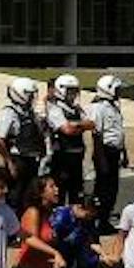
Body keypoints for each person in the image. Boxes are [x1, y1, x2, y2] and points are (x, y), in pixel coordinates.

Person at [0, 78, 46, 206]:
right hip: (18, 159)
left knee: (30, 195)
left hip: (32, 158)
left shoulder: (29, 112)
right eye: (29, 94)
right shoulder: (8, 112)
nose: (32, 97)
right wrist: (9, 162)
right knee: (16, 195)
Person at [43, 74, 93, 209]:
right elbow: (67, 130)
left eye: (74, 91)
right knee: (60, 193)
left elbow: (91, 123)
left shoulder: (76, 108)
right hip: (61, 158)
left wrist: (76, 125)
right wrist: (79, 126)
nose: (73, 94)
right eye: (70, 91)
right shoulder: (55, 108)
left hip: (77, 157)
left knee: (76, 194)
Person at [85, 74, 126, 218]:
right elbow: (97, 134)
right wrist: (101, 159)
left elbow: (119, 131)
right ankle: (98, 217)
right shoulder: (98, 108)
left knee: (112, 187)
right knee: (103, 187)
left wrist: (124, 153)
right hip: (104, 152)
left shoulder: (114, 107)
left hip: (115, 151)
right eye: (117, 89)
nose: (119, 93)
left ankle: (105, 216)